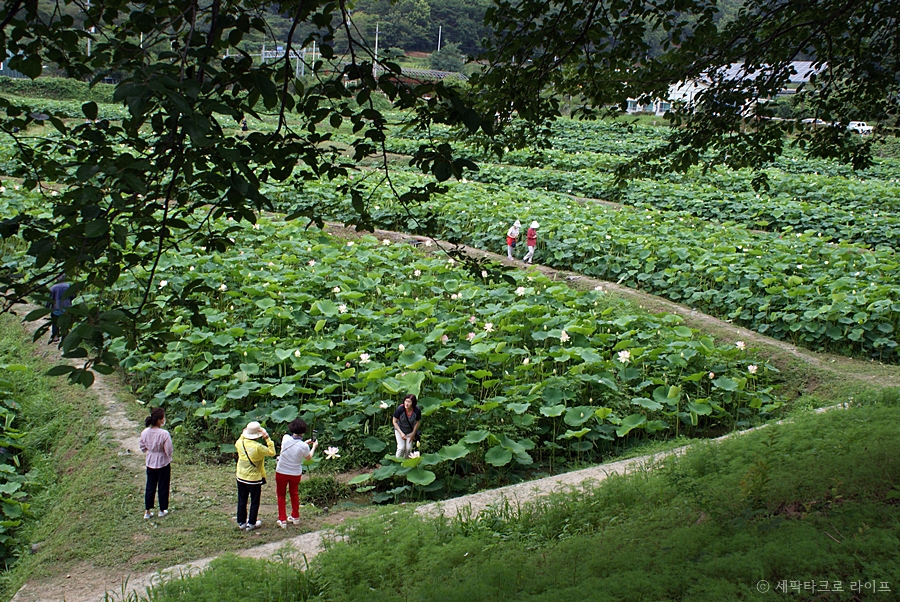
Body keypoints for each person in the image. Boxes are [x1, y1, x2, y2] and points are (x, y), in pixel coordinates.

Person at [275, 418, 317, 529]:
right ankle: (295, 516)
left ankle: (282, 519)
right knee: (294, 493)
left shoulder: (285, 438)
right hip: (295, 473)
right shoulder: (304, 446)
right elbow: (308, 457)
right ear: (303, 431)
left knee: (281, 494)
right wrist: (313, 447)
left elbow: (293, 444)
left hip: (281, 471)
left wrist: (304, 444)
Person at [235, 421, 275, 531]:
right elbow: (272, 452)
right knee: (254, 501)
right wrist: (267, 438)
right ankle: (251, 523)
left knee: (242, 499)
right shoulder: (258, 447)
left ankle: (241, 522)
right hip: (254, 479)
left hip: (240, 476)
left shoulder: (240, 443)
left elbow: (241, 437)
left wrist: (245, 432)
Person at [139, 407, 173, 520]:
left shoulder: (145, 432)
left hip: (150, 461)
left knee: (150, 486)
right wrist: (168, 456)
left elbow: (142, 447)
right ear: (159, 420)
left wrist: (150, 451)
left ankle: (147, 511)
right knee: (163, 486)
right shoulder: (164, 434)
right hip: (163, 462)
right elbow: (168, 450)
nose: (164, 420)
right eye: (163, 418)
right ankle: (162, 509)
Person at [392, 394, 421, 459]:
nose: (407, 404)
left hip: (410, 431)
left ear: (413, 403)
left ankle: (405, 463)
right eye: (406, 401)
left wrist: (413, 434)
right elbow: (394, 421)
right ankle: (396, 462)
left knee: (408, 449)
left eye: (409, 402)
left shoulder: (417, 410)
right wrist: (401, 433)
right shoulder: (400, 409)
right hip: (399, 429)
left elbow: (417, 422)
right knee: (401, 448)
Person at [48, 275, 72, 343]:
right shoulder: (68, 286)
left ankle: (55, 336)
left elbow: (50, 299)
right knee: (65, 324)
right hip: (66, 308)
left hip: (56, 308)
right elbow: (73, 295)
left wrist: (47, 308)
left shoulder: (53, 288)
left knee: (55, 322)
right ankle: (64, 338)